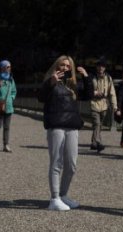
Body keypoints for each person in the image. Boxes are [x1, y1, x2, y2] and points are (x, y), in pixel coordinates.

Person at [38, 55, 94, 211]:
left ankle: (63, 195)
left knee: (71, 164)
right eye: (62, 65)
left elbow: (89, 95)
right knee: (57, 162)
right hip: (56, 125)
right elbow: (40, 97)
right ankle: (54, 198)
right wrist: (51, 83)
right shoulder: (50, 81)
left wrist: (87, 77)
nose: (65, 68)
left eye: (68, 66)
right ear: (56, 66)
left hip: (72, 125)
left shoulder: (73, 84)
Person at [90, 59, 117, 152]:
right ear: (96, 67)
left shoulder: (108, 78)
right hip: (94, 103)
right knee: (97, 123)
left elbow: (112, 93)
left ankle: (93, 143)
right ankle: (98, 142)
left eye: (103, 66)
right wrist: (94, 92)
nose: (101, 67)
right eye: (99, 66)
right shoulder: (92, 77)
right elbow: (87, 90)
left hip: (104, 105)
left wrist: (115, 106)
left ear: (105, 68)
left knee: (99, 125)